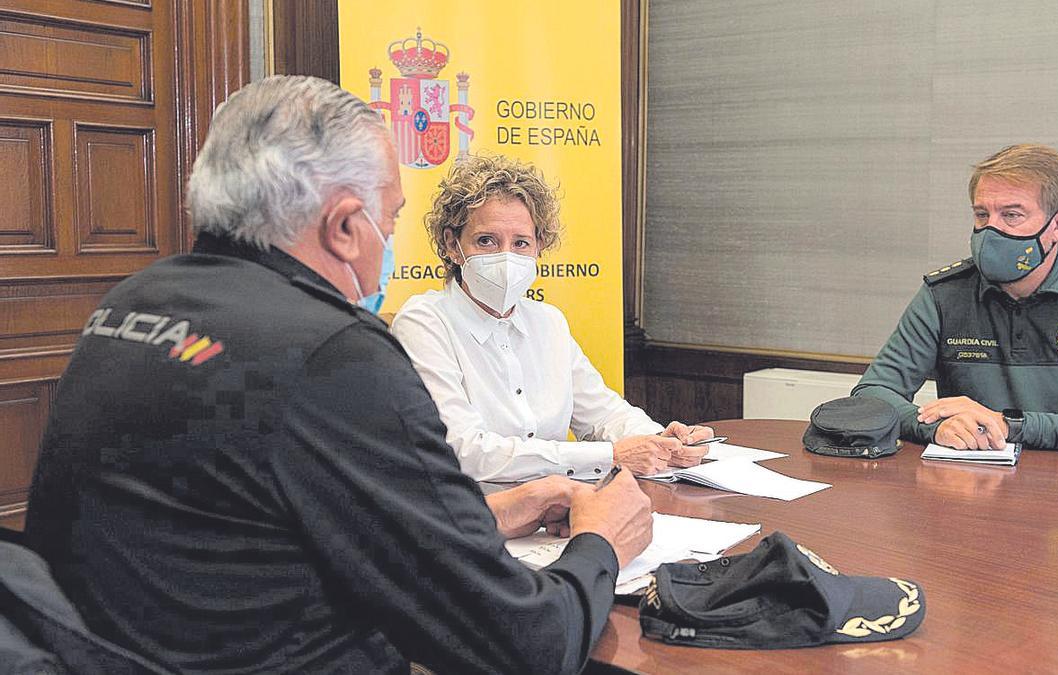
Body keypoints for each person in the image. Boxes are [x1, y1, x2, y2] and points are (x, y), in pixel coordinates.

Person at [23, 75, 653, 674]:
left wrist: (501, 510)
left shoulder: (131, 303)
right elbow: (529, 644)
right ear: (348, 226)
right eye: (393, 217)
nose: (390, 239)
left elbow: (270, 519)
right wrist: (601, 544)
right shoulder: (335, 354)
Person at [390, 155, 713, 482]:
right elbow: (464, 450)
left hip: (558, 507)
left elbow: (603, 413)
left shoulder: (548, 322)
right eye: (486, 241)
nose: (506, 257)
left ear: (539, 247)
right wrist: (610, 456)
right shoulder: (424, 323)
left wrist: (659, 440)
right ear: (452, 244)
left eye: (521, 243)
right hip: (476, 518)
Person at [853, 144, 1058, 452]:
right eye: (981, 214)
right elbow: (871, 395)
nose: (991, 230)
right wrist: (934, 426)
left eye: (1011, 215)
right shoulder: (944, 294)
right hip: (970, 486)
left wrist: (1008, 425)